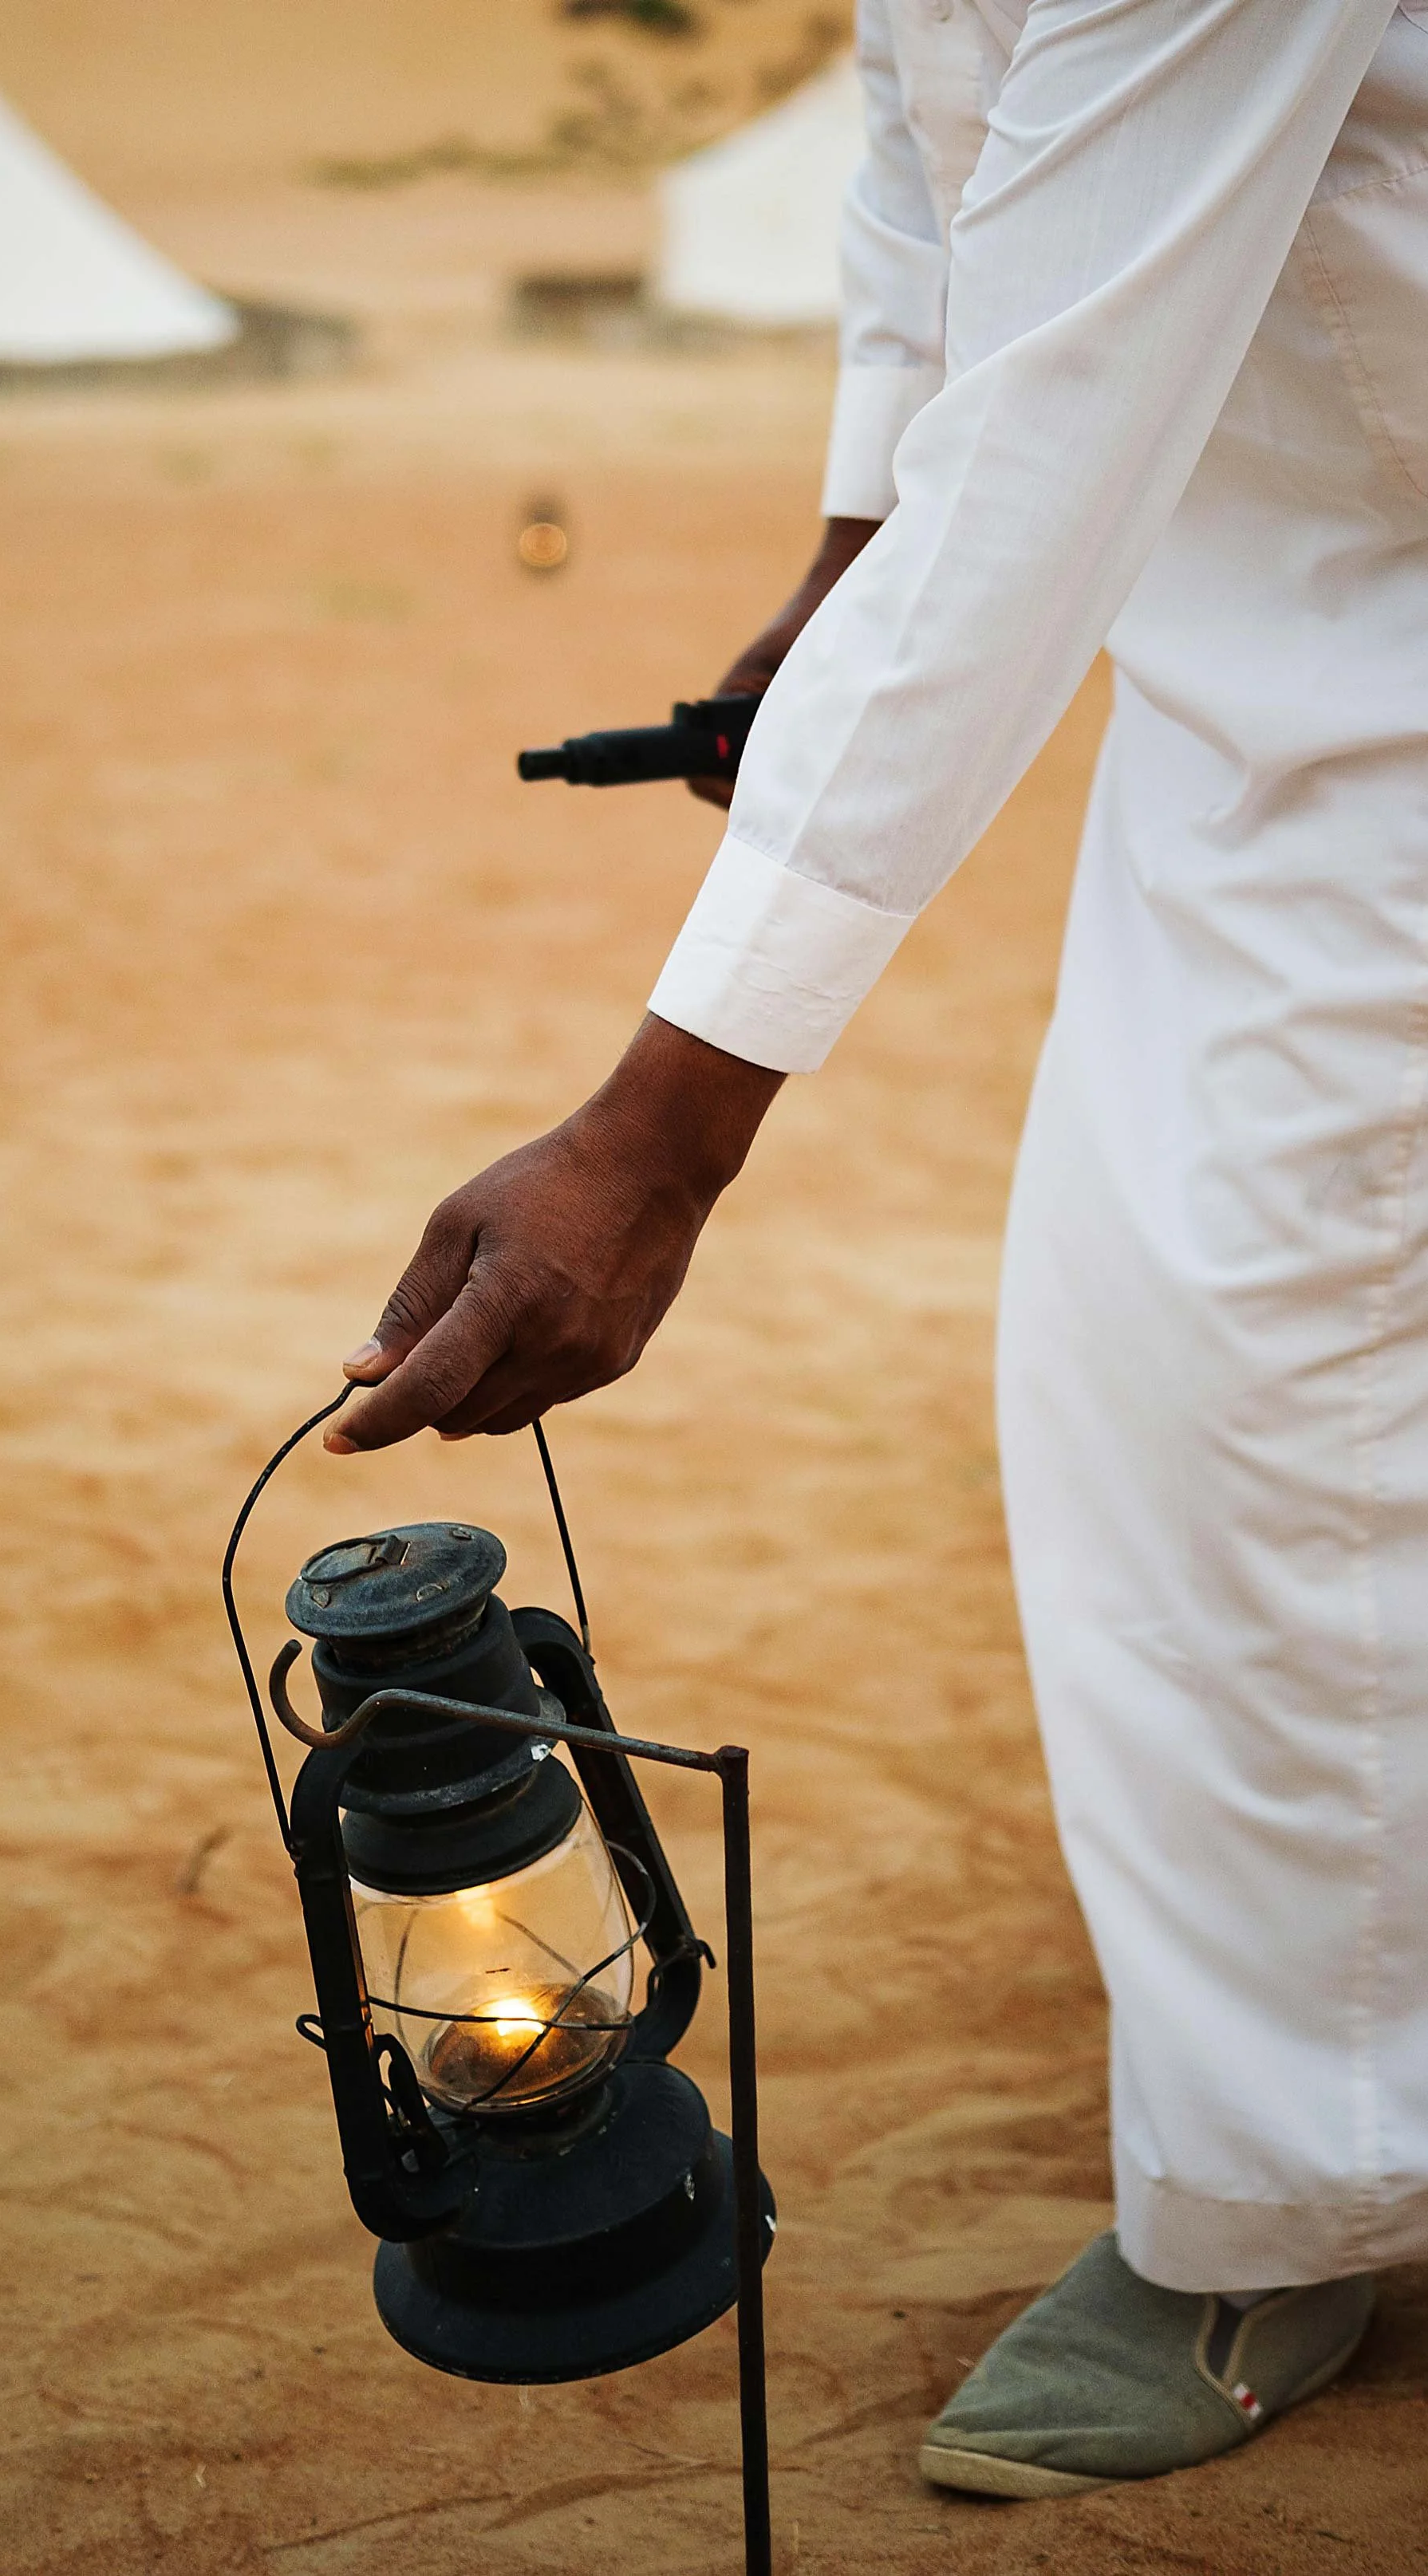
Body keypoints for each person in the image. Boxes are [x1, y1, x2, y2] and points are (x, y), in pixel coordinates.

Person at [325, 0, 1428, 2502]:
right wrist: (836, 565)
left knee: (1235, 1407)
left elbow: (1047, 435)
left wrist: (661, 1132)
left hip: (1390, 666)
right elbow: (927, 155)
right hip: (1253, 671)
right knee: (1200, 1398)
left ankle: (1275, 2193)